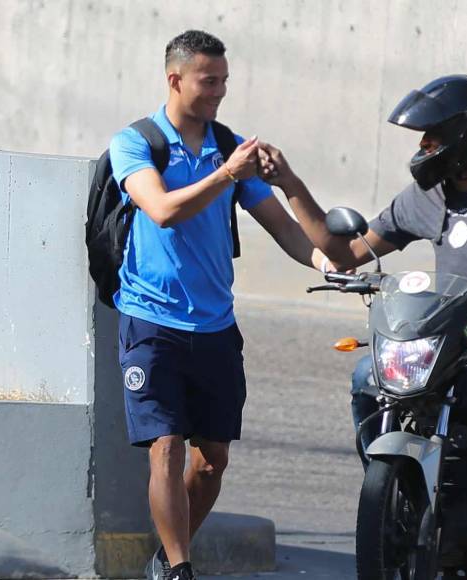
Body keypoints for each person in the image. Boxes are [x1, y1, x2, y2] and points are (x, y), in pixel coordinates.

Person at [257, 74, 467, 576]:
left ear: (465, 135)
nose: (422, 147)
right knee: (367, 376)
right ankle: (394, 488)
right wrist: (291, 185)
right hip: (451, 333)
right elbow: (345, 252)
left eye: (430, 136)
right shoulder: (423, 199)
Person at [108, 30, 331, 580]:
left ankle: (166, 556)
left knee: (212, 461)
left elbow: (282, 227)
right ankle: (181, 569)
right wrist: (226, 173)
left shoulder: (227, 144)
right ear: (175, 79)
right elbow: (160, 209)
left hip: (214, 326)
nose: (219, 92)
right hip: (150, 319)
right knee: (165, 447)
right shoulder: (137, 142)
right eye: (209, 81)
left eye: (225, 82)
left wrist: (328, 264)